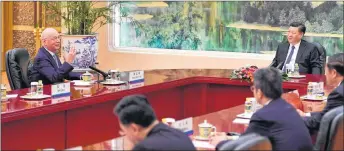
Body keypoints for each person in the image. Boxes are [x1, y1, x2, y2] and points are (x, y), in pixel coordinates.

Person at [214, 68, 313, 150]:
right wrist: (229, 137)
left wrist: (220, 142)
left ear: (259, 92)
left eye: (253, 88)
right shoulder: (288, 108)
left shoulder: (262, 116)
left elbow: (242, 147)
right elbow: (251, 137)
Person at [114, 94, 196, 150]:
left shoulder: (144, 148)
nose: (124, 135)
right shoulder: (180, 135)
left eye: (123, 131)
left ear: (134, 128)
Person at [297, 53, 344, 132]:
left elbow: (318, 122)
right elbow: (327, 113)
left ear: (333, 73)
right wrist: (306, 115)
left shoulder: (338, 94)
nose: (325, 75)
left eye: (325, 71)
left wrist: (294, 119)